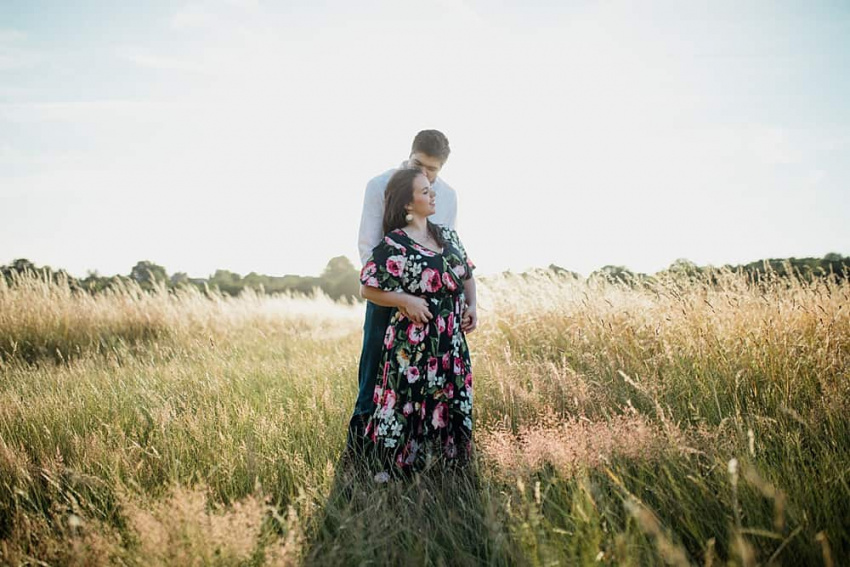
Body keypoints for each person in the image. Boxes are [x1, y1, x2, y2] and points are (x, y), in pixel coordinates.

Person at [347, 130, 477, 453]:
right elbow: (369, 246)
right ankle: (363, 448)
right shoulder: (380, 185)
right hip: (388, 295)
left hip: (434, 311)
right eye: (420, 164)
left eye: (434, 170)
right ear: (410, 154)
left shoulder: (448, 196)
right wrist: (401, 298)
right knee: (375, 369)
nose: (427, 176)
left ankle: (426, 450)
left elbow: (450, 255)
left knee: (429, 384)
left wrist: (464, 303)